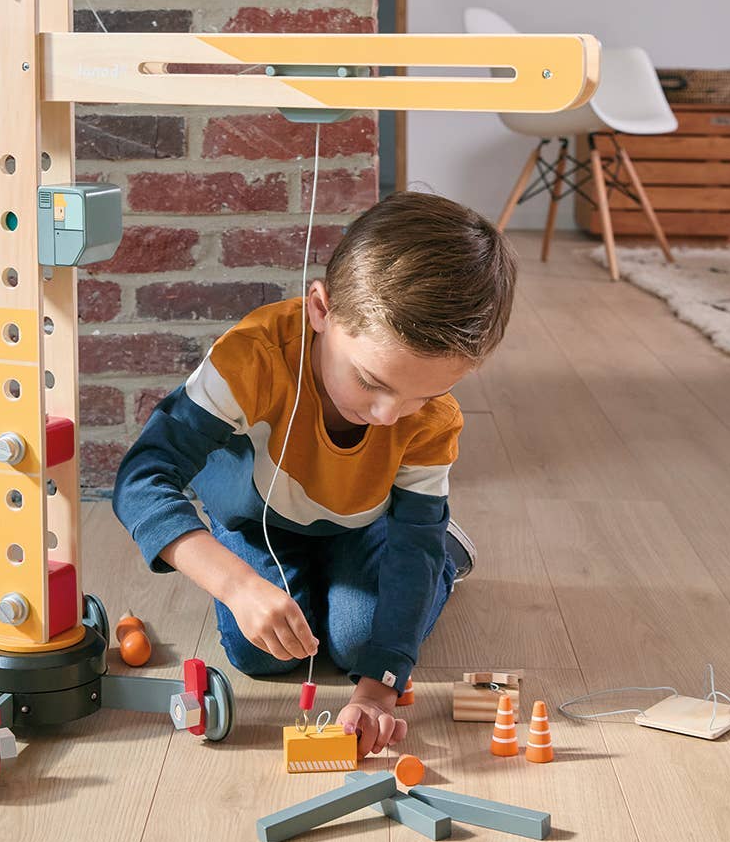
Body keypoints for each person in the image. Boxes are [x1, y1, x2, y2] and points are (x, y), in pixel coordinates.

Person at [113, 191, 517, 756]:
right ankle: (311, 576)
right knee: (259, 653)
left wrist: (379, 689)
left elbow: (411, 549)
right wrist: (235, 584)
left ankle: (448, 554)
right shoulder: (252, 360)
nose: (386, 415)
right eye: (371, 381)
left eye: (425, 394)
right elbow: (141, 477)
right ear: (321, 310)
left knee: (359, 647)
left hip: (365, 523)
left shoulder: (431, 418)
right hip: (259, 524)